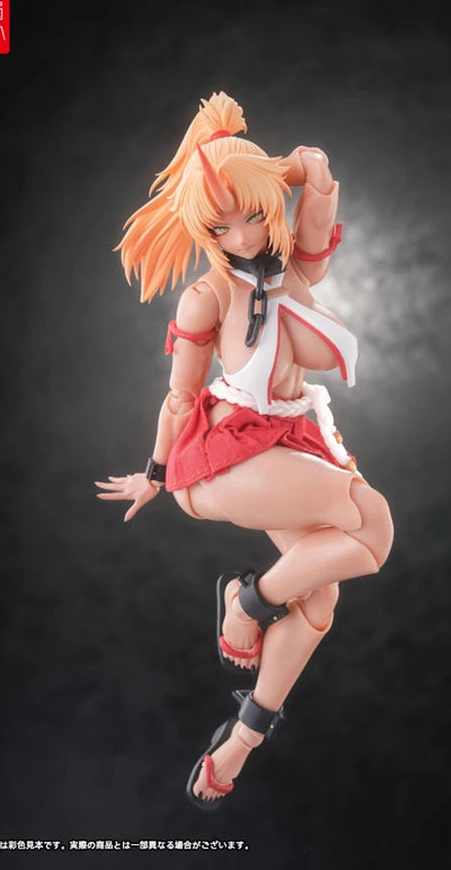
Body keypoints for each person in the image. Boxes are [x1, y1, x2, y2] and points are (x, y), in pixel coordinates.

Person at [96, 92, 394, 808]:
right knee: (373, 528)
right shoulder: (208, 296)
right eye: (220, 224)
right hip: (223, 457)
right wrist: (154, 473)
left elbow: (314, 191)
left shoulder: (291, 270)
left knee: (319, 599)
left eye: (253, 214)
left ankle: (240, 739)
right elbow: (179, 397)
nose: (241, 234)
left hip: (285, 440)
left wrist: (288, 172)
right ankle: (246, 603)